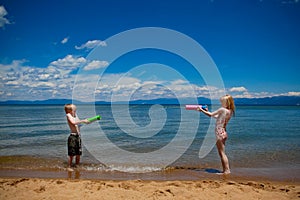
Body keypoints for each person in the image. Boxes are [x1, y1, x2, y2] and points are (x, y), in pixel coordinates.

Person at [198, 94, 235, 174]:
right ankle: (227, 170)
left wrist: (202, 110)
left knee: (222, 153)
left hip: (219, 133)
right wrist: (206, 110)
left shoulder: (222, 109)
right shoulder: (230, 111)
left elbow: (210, 115)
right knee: (223, 153)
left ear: (227, 102)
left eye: (222, 102)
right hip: (224, 132)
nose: (221, 103)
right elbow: (216, 117)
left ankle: (226, 171)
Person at [64, 104, 89, 172]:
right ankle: (69, 166)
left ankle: (77, 165)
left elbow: (79, 124)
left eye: (75, 110)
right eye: (74, 110)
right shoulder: (68, 115)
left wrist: (86, 122)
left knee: (78, 153)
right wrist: (83, 121)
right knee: (71, 154)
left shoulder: (75, 116)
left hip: (78, 137)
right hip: (73, 137)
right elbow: (73, 122)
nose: (75, 111)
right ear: (69, 111)